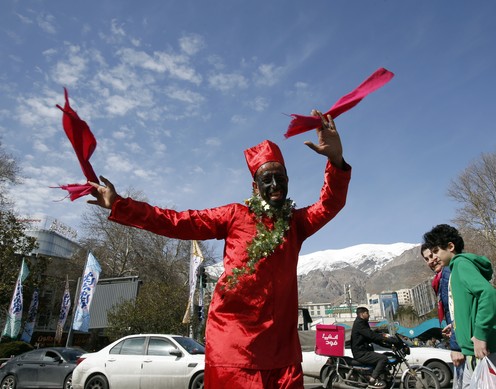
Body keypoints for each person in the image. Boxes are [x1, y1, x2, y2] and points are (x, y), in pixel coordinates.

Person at [88, 110, 351, 389]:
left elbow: (330, 204)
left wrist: (336, 160)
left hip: (282, 353)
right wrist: (120, 204)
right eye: (267, 179)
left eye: (280, 178)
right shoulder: (235, 216)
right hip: (234, 348)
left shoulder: (295, 223)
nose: (275, 185)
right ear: (254, 186)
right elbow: (176, 222)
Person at [422, 224, 496, 388]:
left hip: (483, 348)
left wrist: (480, 335)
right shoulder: (455, 268)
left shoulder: (461, 264)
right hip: (471, 349)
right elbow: (468, 306)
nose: (434, 256)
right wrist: (456, 325)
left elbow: (488, 294)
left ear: (450, 247)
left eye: (436, 251)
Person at [421, 243, 465, 388]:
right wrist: (452, 326)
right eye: (427, 258)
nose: (431, 261)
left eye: (433, 254)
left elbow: (458, 309)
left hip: (465, 345)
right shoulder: (440, 278)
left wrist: (456, 346)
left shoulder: (448, 273)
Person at [351, 307, 395, 388]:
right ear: (362, 314)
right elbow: (371, 335)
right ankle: (373, 380)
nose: (369, 315)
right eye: (367, 313)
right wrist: (384, 337)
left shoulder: (363, 323)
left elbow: (371, 338)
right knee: (383, 358)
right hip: (361, 353)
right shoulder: (360, 324)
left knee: (384, 355)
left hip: (363, 351)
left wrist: (388, 345)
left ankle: (378, 377)